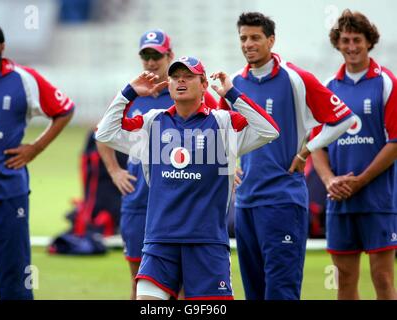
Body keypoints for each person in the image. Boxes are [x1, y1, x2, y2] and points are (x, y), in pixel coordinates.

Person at [96, 56, 280, 300]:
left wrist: (232, 94)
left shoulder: (223, 123)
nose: (180, 80)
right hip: (160, 242)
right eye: (175, 76)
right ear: (169, 84)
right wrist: (129, 93)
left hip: (207, 243)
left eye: (189, 76)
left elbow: (269, 130)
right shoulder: (153, 121)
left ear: (204, 84)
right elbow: (106, 132)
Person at [221, 12, 355, 300]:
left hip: (283, 200)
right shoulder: (232, 83)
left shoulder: (296, 78)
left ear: (271, 40)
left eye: (255, 37)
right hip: (246, 203)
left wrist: (307, 149)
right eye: (243, 38)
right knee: (254, 292)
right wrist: (229, 164)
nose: (248, 44)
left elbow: (343, 119)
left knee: (281, 292)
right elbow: (222, 132)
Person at [96, 29, 217, 299]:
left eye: (157, 56)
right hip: (139, 200)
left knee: (186, 284)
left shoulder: (193, 94)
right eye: (146, 56)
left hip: (182, 203)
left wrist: (227, 168)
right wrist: (115, 171)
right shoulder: (134, 95)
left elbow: (223, 133)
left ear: (169, 56)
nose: (151, 62)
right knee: (141, 281)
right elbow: (103, 132)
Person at [0, 22, 74, 300]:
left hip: (8, 196)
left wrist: (36, 147)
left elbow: (64, 110)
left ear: (2, 48)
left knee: (14, 278)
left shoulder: (24, 79)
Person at [311, 10, 397, 300]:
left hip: (378, 200)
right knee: (344, 279)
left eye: (357, 40)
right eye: (345, 40)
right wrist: (329, 181)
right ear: (337, 43)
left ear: (369, 41)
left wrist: (360, 181)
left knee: (383, 279)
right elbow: (317, 145)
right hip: (340, 200)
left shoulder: (386, 82)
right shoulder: (327, 88)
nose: (351, 46)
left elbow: (395, 143)